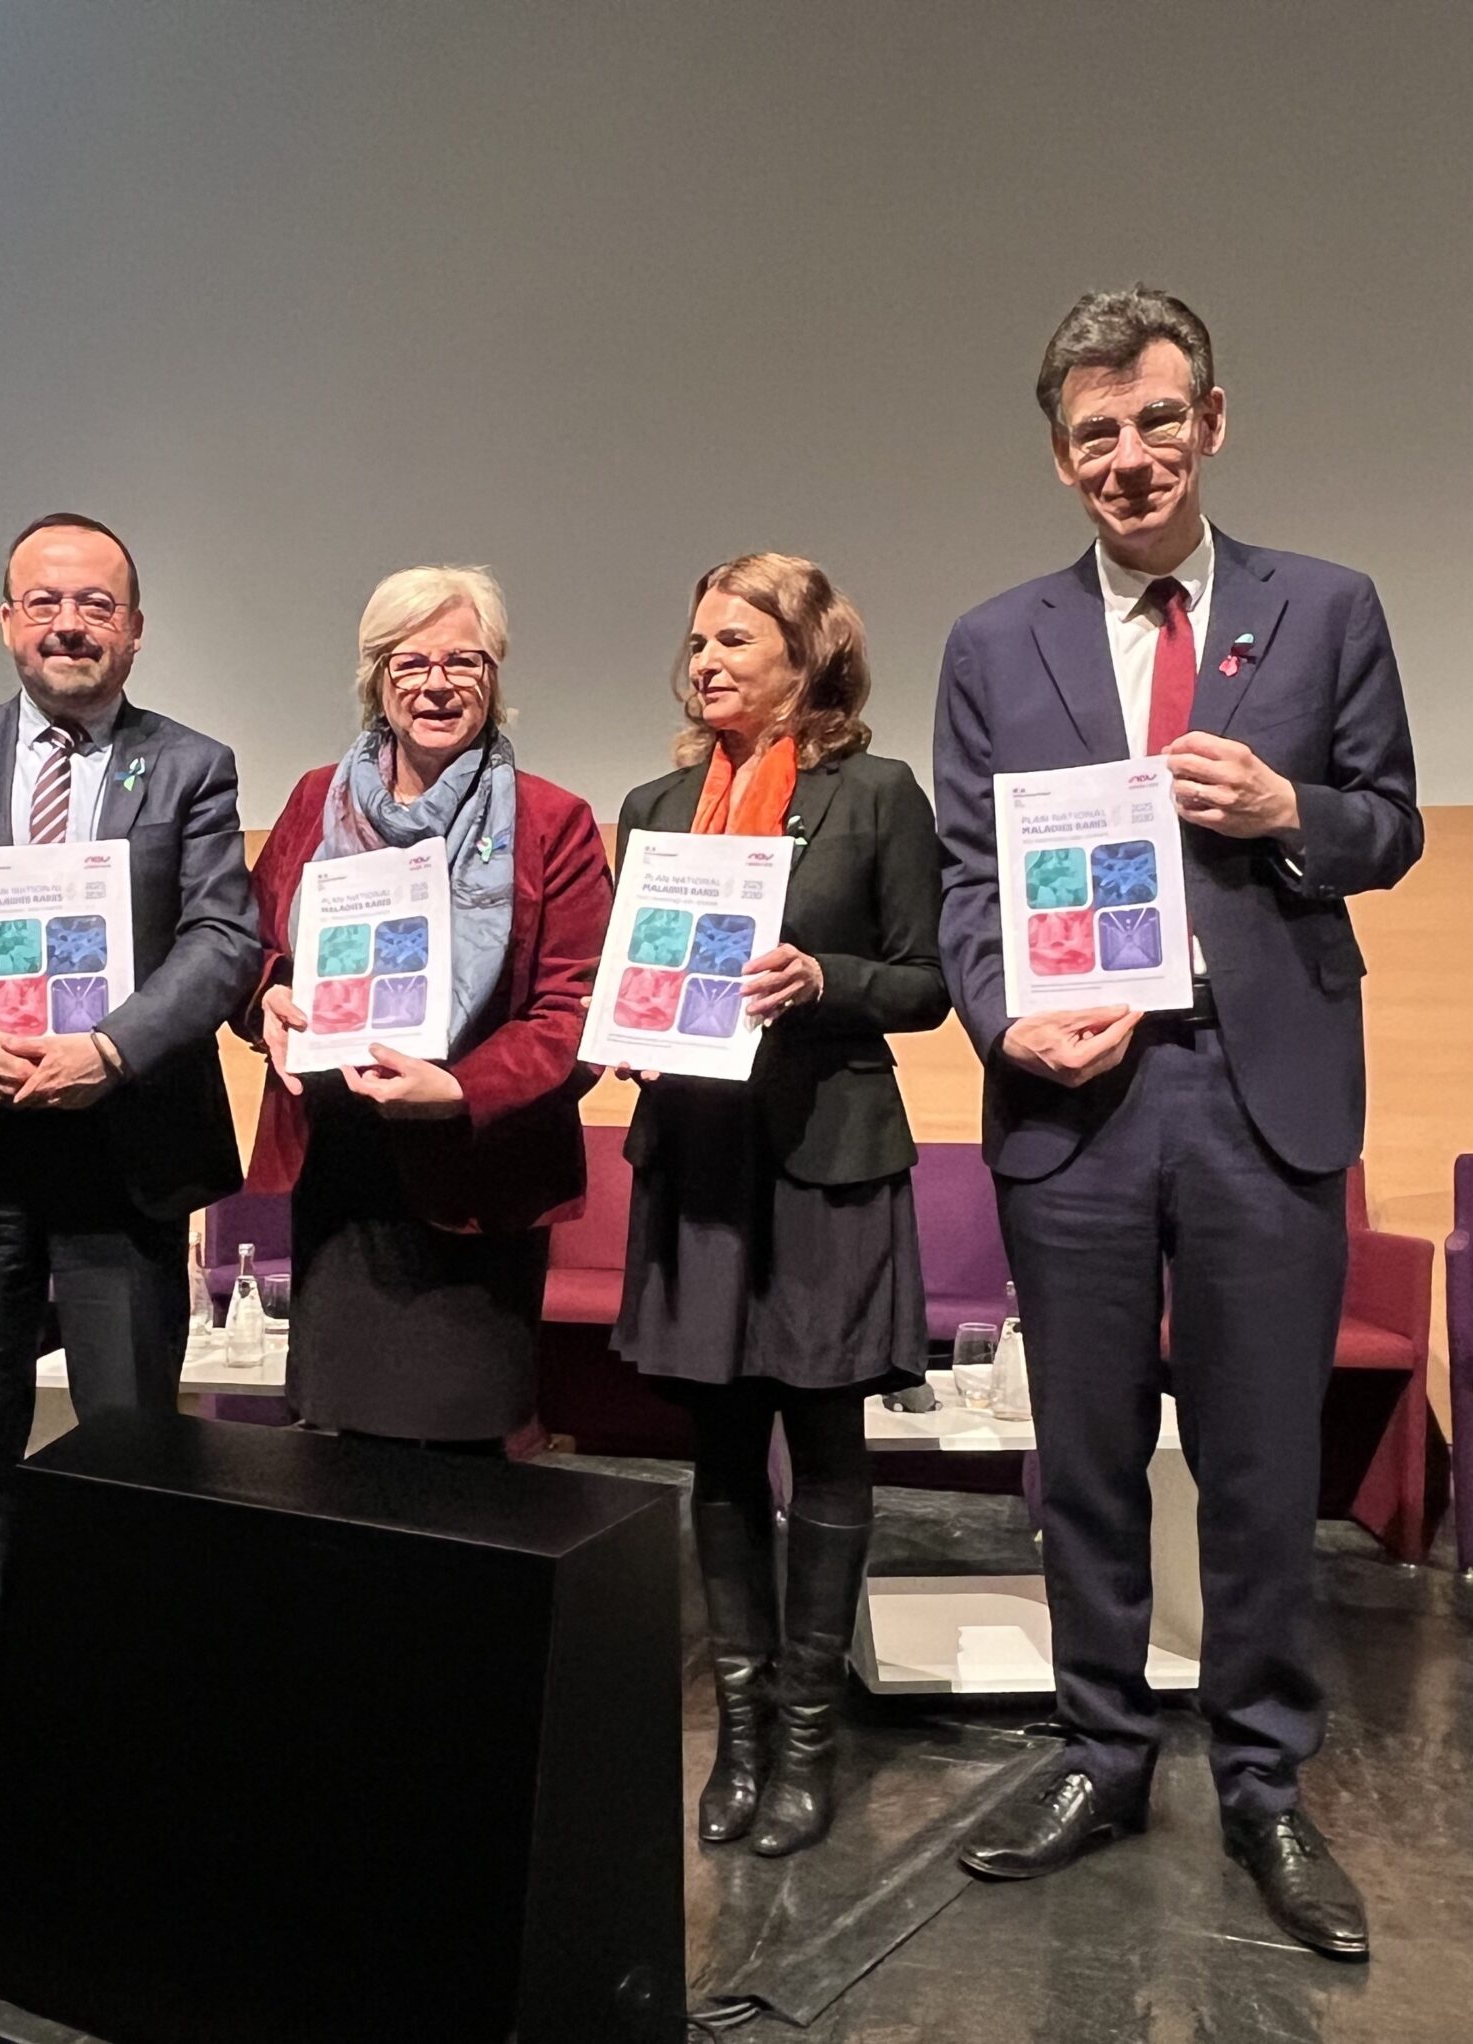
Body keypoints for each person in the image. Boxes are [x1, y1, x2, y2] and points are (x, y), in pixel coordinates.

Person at [933, 288, 1422, 1959]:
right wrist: (1003, 1019)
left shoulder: (1326, 606)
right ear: (1060, 457)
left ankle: (1267, 1780)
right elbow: (967, 878)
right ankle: (1101, 1752)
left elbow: (1390, 823)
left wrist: (1290, 809)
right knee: (1082, 1454)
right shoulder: (993, 642)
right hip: (1075, 1092)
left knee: (1260, 1460)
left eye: (1156, 420)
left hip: (1258, 1088)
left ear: (1211, 422)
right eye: (1095, 433)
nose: (1128, 456)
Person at [0, 511, 259, 1829]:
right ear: (8, 621)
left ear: (135, 629)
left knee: (132, 1460)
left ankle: (132, 1712)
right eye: (45, 602)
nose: (70, 624)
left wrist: (111, 1052)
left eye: (96, 604)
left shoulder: (188, 766)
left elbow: (223, 939)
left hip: (123, 1161)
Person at [612, 553, 950, 1858]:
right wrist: (633, 1031)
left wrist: (824, 979)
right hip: (697, 1157)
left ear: (808, 657)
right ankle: (741, 1738)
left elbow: (925, 983)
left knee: (825, 1442)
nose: (704, 661)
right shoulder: (654, 808)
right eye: (697, 640)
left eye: (734, 640)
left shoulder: (876, 796)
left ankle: (808, 1740)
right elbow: (638, 975)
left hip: (825, 1155)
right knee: (717, 1451)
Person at [247, 566, 612, 1451]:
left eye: (463, 661)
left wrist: (458, 1090)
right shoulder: (314, 800)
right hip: (341, 1174)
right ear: (377, 677)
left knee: (465, 1458)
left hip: (481, 1178)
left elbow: (577, 1010)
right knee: (336, 1450)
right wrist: (266, 997)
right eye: (410, 662)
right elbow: (249, 947)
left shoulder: (551, 820)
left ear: (494, 675)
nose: (437, 684)